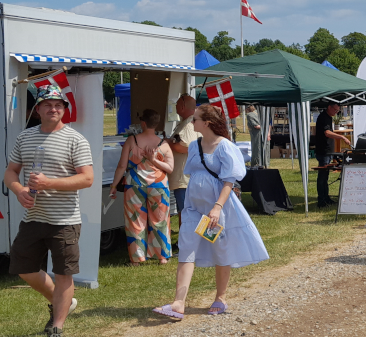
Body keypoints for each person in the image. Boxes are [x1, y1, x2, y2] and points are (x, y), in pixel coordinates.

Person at [153, 105, 269, 320]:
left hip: (215, 209)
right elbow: (193, 173)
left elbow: (229, 180)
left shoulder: (225, 146)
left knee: (220, 249)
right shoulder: (195, 145)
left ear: (206, 123)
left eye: (195, 119)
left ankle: (221, 297)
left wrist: (217, 207)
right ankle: (178, 303)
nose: (191, 122)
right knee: (187, 249)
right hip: (192, 207)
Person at [3, 84, 94, 337]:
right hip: (33, 217)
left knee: (64, 273)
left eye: (58, 105)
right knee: (23, 267)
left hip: (64, 219)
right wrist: (19, 190)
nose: (53, 109)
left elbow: (87, 178)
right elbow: (10, 171)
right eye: (47, 105)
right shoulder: (25, 137)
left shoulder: (75, 139)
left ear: (64, 109)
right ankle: (61, 302)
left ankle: (56, 329)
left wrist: (48, 183)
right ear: (38, 109)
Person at [110, 109, 175, 266]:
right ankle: (162, 257)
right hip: (159, 184)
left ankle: (136, 259)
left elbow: (121, 166)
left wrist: (113, 185)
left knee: (135, 220)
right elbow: (170, 168)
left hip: (135, 184)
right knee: (160, 219)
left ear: (143, 123)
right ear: (156, 123)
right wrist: (154, 160)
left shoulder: (132, 141)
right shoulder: (164, 144)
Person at [167, 95, 201, 228]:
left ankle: (188, 242)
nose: (175, 107)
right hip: (185, 177)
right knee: (185, 211)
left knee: (186, 212)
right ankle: (186, 241)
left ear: (182, 106)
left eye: (177, 104)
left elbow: (187, 146)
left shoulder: (188, 124)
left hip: (184, 178)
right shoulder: (188, 122)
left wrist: (169, 144)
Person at [315, 102, 351, 208]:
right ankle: (321, 200)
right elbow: (327, 133)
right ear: (329, 107)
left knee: (326, 176)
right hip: (323, 151)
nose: (336, 112)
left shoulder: (329, 117)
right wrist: (342, 137)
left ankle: (326, 198)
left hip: (328, 151)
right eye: (335, 110)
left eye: (338, 111)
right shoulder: (323, 117)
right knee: (322, 176)